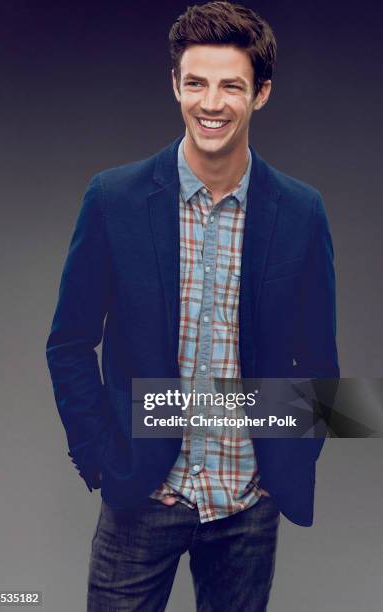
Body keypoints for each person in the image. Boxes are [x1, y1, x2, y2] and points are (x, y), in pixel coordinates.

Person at [46, 2, 339, 610]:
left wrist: (282, 463)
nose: (211, 103)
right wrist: (101, 460)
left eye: (231, 85)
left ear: (260, 94)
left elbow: (319, 364)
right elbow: (69, 344)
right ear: (175, 85)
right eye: (196, 82)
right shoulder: (113, 199)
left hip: (248, 507)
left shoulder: (302, 211)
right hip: (142, 495)